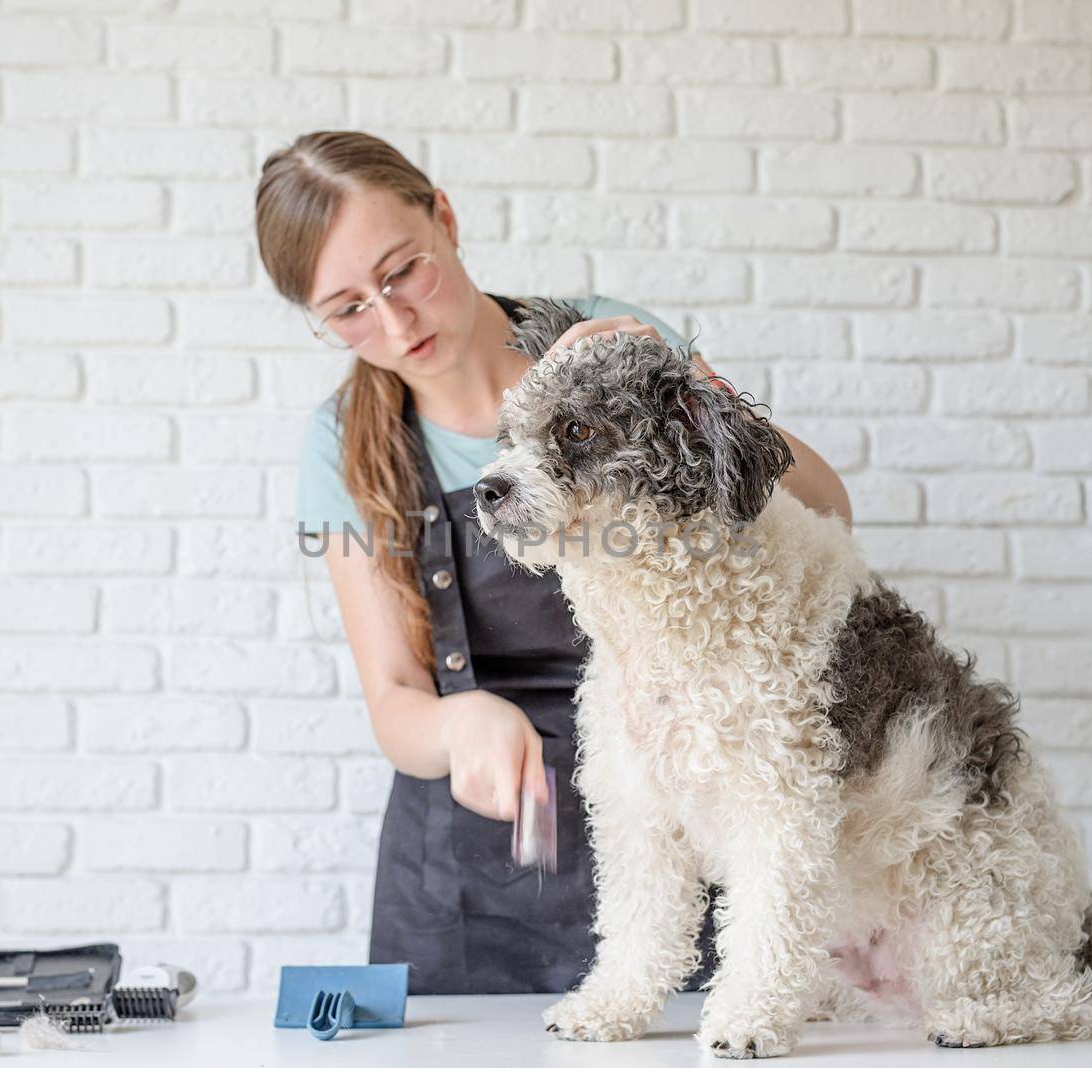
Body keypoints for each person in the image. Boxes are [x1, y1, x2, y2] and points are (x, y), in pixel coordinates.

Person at [255, 130, 853, 996]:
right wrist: (460, 725)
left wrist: (684, 382)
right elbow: (394, 701)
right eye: (347, 309)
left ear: (446, 220)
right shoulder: (343, 448)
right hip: (468, 882)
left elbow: (827, 506)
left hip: (684, 821)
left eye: (402, 272)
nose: (393, 322)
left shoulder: (605, 342)